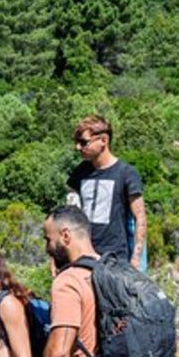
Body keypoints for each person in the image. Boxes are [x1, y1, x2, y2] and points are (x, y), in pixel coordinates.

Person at [41, 205, 109, 357]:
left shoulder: (69, 281)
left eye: (48, 240)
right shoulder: (114, 270)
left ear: (65, 236)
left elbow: (60, 352)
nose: (47, 249)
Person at [66, 115, 147, 271]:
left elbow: (140, 218)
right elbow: (69, 216)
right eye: (76, 143)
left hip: (115, 260)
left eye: (84, 142)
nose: (78, 147)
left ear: (103, 140)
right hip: (82, 258)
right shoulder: (79, 172)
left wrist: (136, 259)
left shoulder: (126, 173)